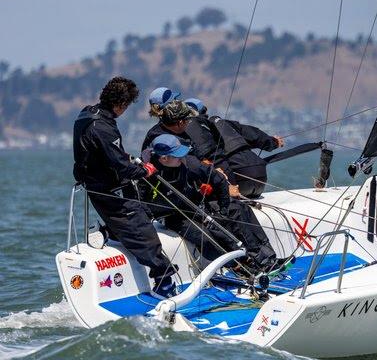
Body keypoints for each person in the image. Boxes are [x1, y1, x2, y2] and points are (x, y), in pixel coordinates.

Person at [73, 77, 178, 297]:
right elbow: (121, 168)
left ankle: (109, 231)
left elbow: (103, 153)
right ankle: (164, 281)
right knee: (144, 232)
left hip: (96, 186)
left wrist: (127, 158)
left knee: (142, 212)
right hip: (110, 190)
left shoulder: (87, 113)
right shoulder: (104, 128)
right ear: (121, 104)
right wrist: (145, 170)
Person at [142, 134, 277, 274]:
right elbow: (140, 203)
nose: (182, 158)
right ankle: (236, 267)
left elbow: (218, 179)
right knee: (204, 237)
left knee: (235, 210)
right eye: (177, 156)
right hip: (173, 216)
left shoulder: (189, 163)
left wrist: (223, 209)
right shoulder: (147, 173)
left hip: (195, 205)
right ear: (164, 158)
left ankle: (263, 257)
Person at [182, 97, 285, 198]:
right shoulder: (223, 123)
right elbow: (255, 136)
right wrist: (274, 142)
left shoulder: (192, 131)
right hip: (261, 179)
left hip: (238, 183)